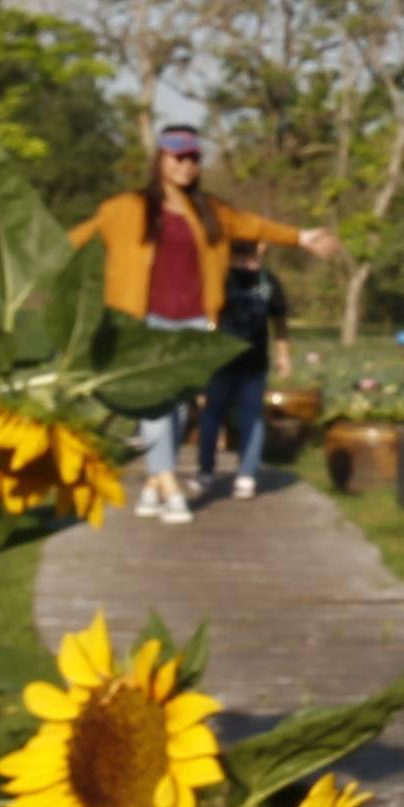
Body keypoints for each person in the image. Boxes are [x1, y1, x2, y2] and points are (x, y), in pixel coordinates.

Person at [66, 128, 337, 521]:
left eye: (193, 157)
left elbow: (255, 226)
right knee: (155, 405)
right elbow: (76, 240)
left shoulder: (212, 212)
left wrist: (302, 237)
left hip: (194, 322)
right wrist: (38, 265)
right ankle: (169, 482)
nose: (186, 164)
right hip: (146, 321)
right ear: (159, 159)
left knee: (177, 411)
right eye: (177, 157)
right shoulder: (125, 208)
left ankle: (154, 484)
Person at [193, 242, 289, 501]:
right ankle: (215, 471)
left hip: (249, 362)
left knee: (243, 416)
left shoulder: (267, 281)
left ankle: (237, 474)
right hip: (223, 361)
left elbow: (279, 319)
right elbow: (209, 318)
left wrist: (283, 354)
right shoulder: (222, 278)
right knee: (218, 415)